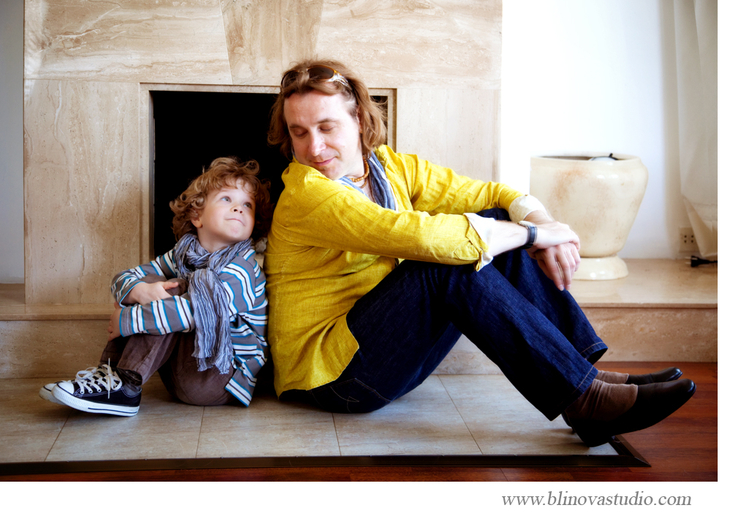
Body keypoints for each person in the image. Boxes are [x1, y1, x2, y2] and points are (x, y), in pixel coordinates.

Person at [263, 59, 695, 447]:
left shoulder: (390, 168)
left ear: (358, 118)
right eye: (299, 132)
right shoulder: (307, 193)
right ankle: (585, 398)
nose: (313, 148)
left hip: (380, 356)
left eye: (326, 127)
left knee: (492, 220)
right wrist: (532, 236)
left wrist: (541, 223)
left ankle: (584, 376)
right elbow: (423, 239)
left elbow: (490, 194)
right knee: (446, 262)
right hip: (333, 378)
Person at [39, 157, 273, 416]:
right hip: (182, 374)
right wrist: (140, 292)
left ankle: (125, 386)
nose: (239, 208)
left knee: (176, 291)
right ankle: (111, 379)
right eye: (227, 199)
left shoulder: (244, 269)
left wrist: (127, 320)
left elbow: (192, 312)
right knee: (152, 284)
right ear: (197, 215)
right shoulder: (183, 254)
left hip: (220, 379)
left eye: (248, 205)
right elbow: (125, 277)